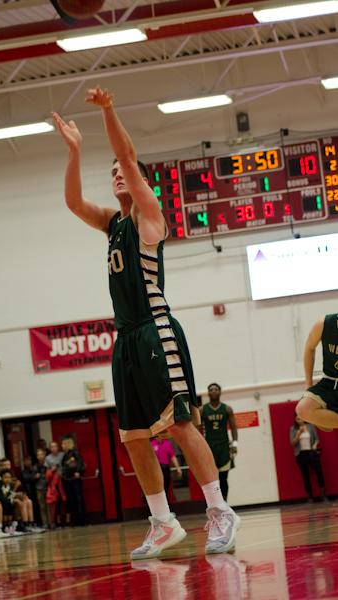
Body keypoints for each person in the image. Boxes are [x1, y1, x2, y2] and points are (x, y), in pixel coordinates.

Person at [53, 87, 240, 557]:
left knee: (179, 425)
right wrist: (74, 151)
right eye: (112, 171)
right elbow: (74, 203)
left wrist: (109, 110)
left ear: (139, 182)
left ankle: (220, 511)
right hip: (126, 337)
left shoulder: (148, 217)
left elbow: (128, 154)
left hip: (157, 329)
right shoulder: (111, 223)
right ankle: (162, 522)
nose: (117, 172)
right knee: (134, 437)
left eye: (123, 171)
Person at [296, 314, 338, 430]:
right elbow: (309, 348)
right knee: (303, 410)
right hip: (329, 381)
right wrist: (308, 385)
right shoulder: (324, 324)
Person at [201, 384, 238, 502]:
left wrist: (235, 444)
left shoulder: (227, 409)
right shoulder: (202, 410)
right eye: (211, 390)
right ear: (208, 393)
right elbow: (197, 430)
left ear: (220, 392)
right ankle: (215, 504)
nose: (213, 391)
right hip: (209, 447)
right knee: (211, 480)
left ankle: (225, 504)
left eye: (216, 389)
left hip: (224, 447)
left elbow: (233, 427)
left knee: (223, 478)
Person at [290, 415, 327, 502]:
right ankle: (310, 497)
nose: (300, 420)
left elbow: (317, 439)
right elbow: (293, 443)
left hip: (312, 452)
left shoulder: (311, 426)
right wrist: (299, 433)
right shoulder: (293, 429)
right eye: (298, 419)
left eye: (301, 418)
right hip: (301, 455)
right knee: (305, 475)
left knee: (319, 472)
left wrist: (314, 446)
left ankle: (323, 495)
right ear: (295, 420)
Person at [61, 436, 86, 526]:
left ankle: (81, 520)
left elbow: (80, 462)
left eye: (63, 444)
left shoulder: (75, 453)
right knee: (71, 500)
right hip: (67, 479)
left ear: (68, 444)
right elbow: (63, 466)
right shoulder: (65, 455)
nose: (62, 446)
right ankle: (75, 520)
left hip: (74, 479)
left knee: (78, 498)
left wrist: (77, 471)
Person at [33, 449, 50, 528]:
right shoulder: (35, 466)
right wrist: (36, 476)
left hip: (48, 486)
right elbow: (33, 477)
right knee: (42, 506)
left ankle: (51, 522)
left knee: (49, 506)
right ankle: (45, 523)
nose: (40, 456)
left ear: (44, 455)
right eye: (38, 455)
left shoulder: (48, 465)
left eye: (41, 454)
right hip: (39, 488)